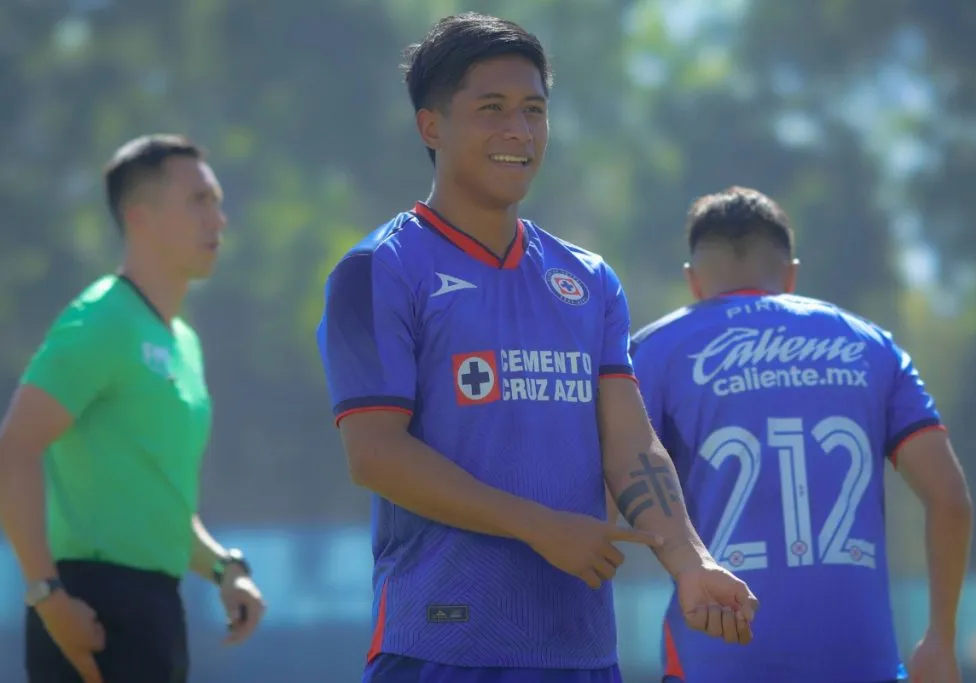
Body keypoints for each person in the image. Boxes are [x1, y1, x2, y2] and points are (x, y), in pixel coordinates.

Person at [316, 13, 758, 683]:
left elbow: (630, 442)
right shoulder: (380, 267)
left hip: (579, 651)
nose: (518, 132)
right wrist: (539, 525)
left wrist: (689, 560)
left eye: (533, 111)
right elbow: (375, 454)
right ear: (431, 126)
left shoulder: (589, 280)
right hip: (440, 645)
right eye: (490, 109)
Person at [630, 186, 973, 683]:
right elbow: (951, 499)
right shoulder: (872, 345)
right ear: (790, 274)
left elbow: (600, 494)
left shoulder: (654, 349)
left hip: (715, 658)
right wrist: (940, 638)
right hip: (863, 664)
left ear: (694, 281)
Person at [0, 134, 267, 683]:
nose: (218, 219)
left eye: (217, 201)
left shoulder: (183, 343)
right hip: (92, 607)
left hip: (156, 609)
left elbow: (157, 501)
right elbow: (15, 447)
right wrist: (48, 597)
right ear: (139, 217)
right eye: (199, 202)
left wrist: (223, 570)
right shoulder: (100, 319)